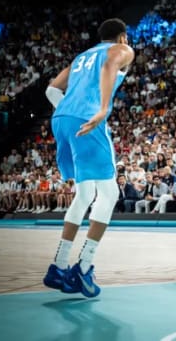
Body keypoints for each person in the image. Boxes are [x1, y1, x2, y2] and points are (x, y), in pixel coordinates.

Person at [42, 18, 135, 297]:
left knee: (84, 195)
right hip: (87, 119)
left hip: (62, 120)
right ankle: (83, 268)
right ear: (122, 37)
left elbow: (51, 89)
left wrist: (69, 111)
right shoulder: (121, 50)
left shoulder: (82, 56)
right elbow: (109, 67)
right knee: (108, 194)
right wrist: (102, 109)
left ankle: (58, 266)